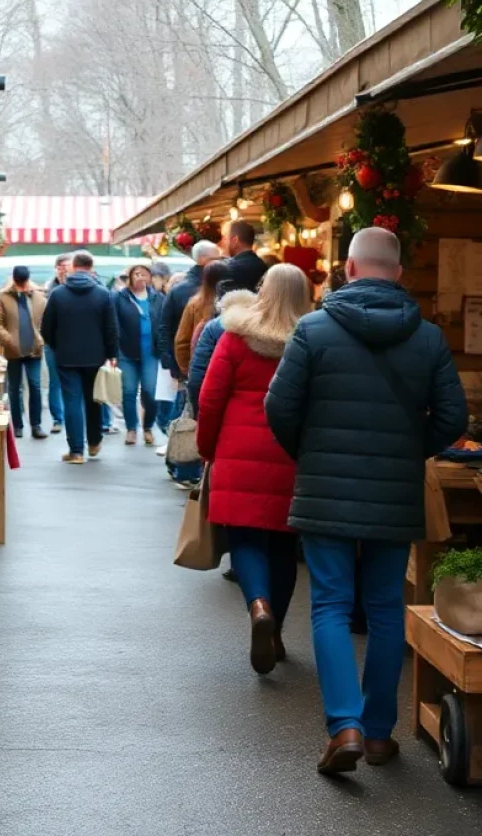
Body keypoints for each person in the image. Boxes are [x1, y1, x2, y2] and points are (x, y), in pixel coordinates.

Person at [265, 228, 467, 774]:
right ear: (398, 274)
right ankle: (378, 733)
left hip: (324, 488)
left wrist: (310, 453)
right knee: (383, 609)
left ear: (348, 269)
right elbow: (454, 419)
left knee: (330, 605)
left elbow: (278, 408)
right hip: (395, 493)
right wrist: (408, 453)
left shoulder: (311, 330)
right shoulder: (426, 338)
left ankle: (344, 726)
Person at [197, 265, 312, 676]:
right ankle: (276, 628)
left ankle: (257, 606)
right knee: (283, 545)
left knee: (245, 541)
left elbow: (210, 399)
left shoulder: (235, 336)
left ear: (263, 291)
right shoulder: (312, 339)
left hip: (236, 453)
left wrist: (208, 450)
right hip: (291, 457)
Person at [41, 251, 118, 464]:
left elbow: (46, 328)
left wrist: (57, 345)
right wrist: (111, 354)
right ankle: (94, 442)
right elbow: (111, 328)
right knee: (94, 400)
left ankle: (76, 451)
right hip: (96, 356)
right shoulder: (103, 294)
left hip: (66, 356)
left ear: (73, 267)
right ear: (91, 267)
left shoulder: (58, 294)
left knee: (72, 401)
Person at [0, 266, 47, 440]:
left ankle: (36, 425)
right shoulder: (4, 297)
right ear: (14, 280)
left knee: (35, 386)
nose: (22, 287)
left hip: (34, 349)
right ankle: (17, 425)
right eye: (19, 283)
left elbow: (46, 322)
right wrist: (9, 340)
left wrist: (41, 338)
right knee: (15, 388)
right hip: (13, 351)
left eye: (24, 283)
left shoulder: (39, 298)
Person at [114, 262, 164, 446]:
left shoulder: (158, 298)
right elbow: (114, 324)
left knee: (150, 393)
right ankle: (131, 429)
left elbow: (164, 323)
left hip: (151, 351)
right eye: (137, 274)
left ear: (150, 277)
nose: (141, 277)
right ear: (130, 277)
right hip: (127, 352)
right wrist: (114, 350)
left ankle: (148, 426)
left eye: (144, 274)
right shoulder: (120, 297)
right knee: (128, 392)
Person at [158, 240, 222, 384]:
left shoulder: (179, 289)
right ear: (204, 259)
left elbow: (165, 328)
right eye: (218, 258)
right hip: (193, 364)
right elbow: (166, 328)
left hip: (189, 365)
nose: (222, 262)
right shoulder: (185, 290)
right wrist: (175, 365)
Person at [174, 260, 232, 377]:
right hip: (226, 369)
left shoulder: (195, 303)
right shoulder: (234, 303)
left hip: (200, 367)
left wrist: (188, 370)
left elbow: (182, 341)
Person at [43, 253, 72, 434]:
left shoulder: (76, 287)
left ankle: (72, 417)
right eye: (60, 266)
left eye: (66, 266)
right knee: (55, 381)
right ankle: (57, 419)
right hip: (53, 341)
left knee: (73, 381)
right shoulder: (49, 288)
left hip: (73, 342)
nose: (64, 270)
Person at [222, 220, 268, 294]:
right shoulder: (262, 265)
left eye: (225, 238)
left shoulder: (229, 268)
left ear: (235, 240)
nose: (223, 243)